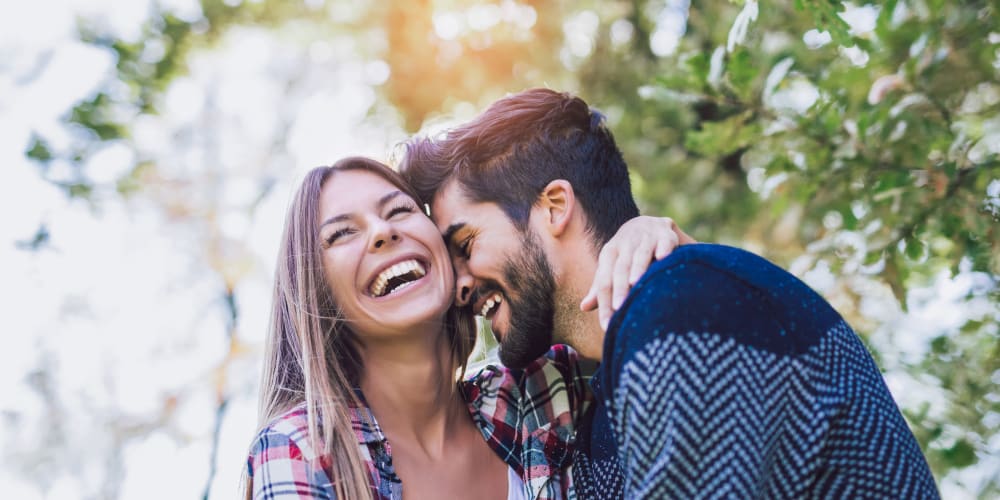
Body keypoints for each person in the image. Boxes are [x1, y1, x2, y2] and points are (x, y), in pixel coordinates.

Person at [399, 88, 940, 498]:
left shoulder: (688, 302)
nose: (461, 286)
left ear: (555, 207)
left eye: (466, 243)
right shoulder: (589, 403)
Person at [243, 156, 685, 499]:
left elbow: (675, 341)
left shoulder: (535, 393)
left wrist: (646, 241)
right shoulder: (299, 451)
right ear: (316, 293)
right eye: (341, 234)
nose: (382, 232)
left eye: (399, 210)